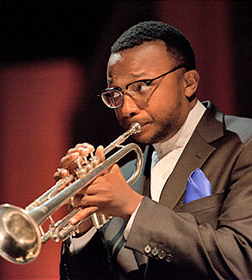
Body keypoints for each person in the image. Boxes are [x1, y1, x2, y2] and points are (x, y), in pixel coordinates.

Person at [56, 21, 252, 279]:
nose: (126, 109)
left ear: (189, 83)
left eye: (141, 86)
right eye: (116, 93)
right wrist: (83, 227)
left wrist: (132, 207)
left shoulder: (243, 143)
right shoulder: (123, 176)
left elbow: (241, 261)